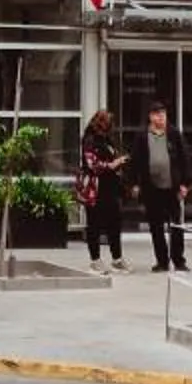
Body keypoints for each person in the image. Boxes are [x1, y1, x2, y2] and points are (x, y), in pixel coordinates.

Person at [130, 98, 190, 272]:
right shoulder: (142, 136)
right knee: (156, 226)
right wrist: (134, 183)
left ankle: (179, 260)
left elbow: (184, 159)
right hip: (151, 187)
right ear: (150, 117)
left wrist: (185, 183)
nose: (161, 118)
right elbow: (136, 160)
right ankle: (162, 261)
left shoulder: (173, 133)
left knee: (176, 225)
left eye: (163, 114)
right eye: (157, 115)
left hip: (172, 186)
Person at [78, 107, 127, 269]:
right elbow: (92, 164)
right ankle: (95, 260)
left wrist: (120, 162)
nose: (109, 127)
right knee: (94, 224)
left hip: (110, 187)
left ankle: (117, 258)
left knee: (115, 223)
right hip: (95, 188)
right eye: (107, 123)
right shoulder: (89, 139)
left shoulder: (107, 140)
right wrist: (113, 164)